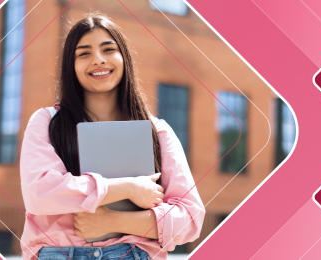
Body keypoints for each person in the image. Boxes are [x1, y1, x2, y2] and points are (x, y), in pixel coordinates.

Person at [19, 12, 205, 260]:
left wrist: (114, 221)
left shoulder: (156, 131)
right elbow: (40, 194)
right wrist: (128, 187)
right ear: (70, 66)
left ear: (124, 58)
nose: (98, 60)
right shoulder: (46, 122)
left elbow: (190, 220)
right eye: (84, 53)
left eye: (108, 49)